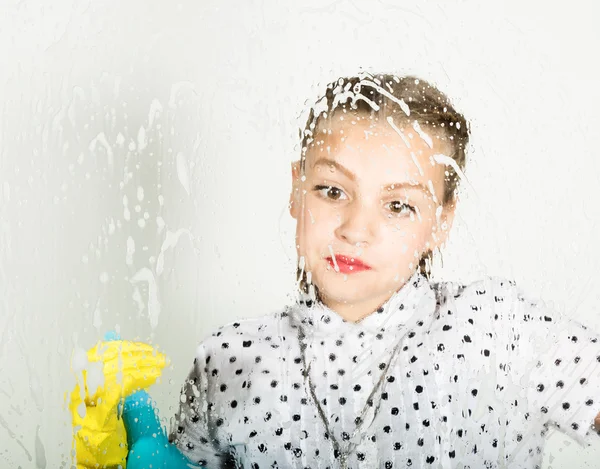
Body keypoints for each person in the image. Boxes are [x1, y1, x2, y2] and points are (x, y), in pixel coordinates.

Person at [168, 72, 600, 469]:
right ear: (297, 189)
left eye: (398, 205)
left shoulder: (501, 328)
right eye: (332, 190)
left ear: (442, 221)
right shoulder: (227, 360)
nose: (355, 230)